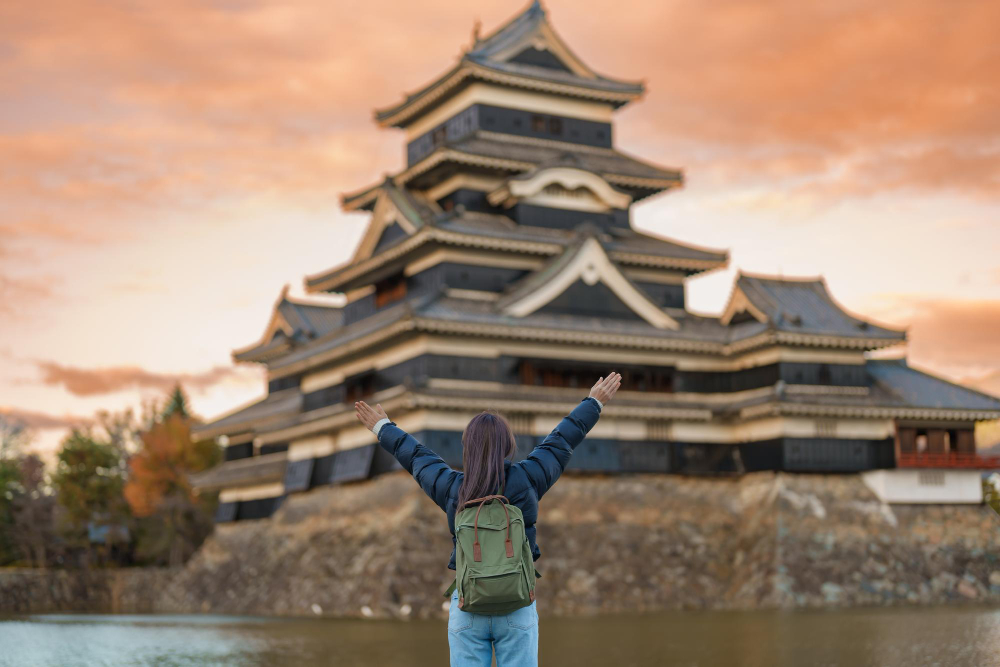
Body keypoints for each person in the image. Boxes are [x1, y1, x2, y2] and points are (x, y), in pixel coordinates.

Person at [354, 372, 622, 667]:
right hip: (517, 603)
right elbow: (562, 439)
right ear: (507, 445)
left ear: (467, 446)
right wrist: (595, 401)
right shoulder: (528, 478)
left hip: (467, 605)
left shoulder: (452, 487)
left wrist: (382, 426)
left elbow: (416, 457)